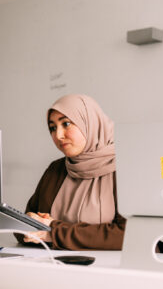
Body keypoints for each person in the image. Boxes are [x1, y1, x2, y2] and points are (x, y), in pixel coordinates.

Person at [16, 94, 125, 250]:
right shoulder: (56, 170)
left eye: (66, 124)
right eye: (53, 128)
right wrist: (28, 226)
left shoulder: (125, 168)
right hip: (58, 267)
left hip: (114, 270)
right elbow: (25, 228)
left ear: (90, 123)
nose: (58, 135)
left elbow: (127, 234)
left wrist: (54, 232)